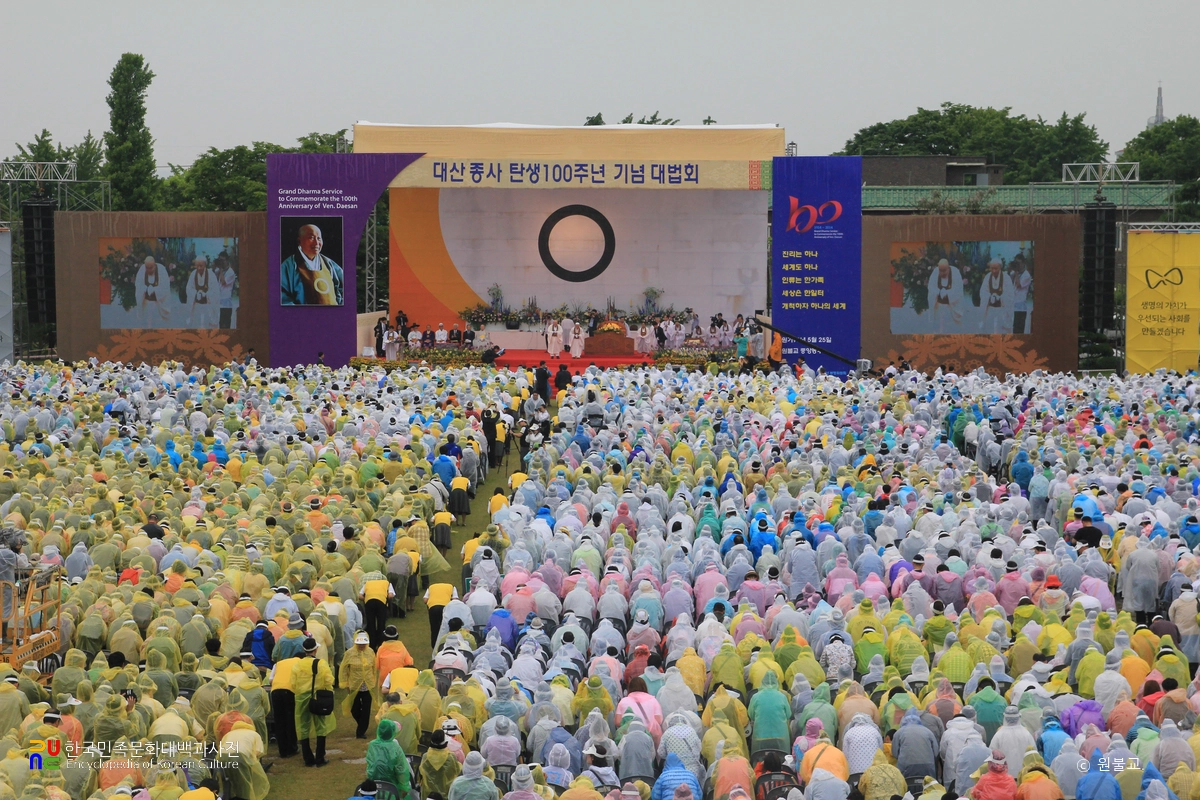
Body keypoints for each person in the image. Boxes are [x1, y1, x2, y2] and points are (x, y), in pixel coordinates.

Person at [293, 636, 335, 766]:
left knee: (303, 727)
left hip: (301, 698)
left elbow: (293, 683)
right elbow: (329, 680)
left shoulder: (297, 664)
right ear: (315, 650)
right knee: (321, 727)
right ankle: (320, 757)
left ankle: (308, 758)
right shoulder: (321, 663)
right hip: (317, 697)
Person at [281, 223, 344, 306]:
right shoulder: (288, 266)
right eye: (311, 237)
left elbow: (344, 287)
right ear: (299, 241)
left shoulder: (329, 263)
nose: (316, 242)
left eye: (319, 238)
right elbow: (282, 297)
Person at [340, 630, 378, 739]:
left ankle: (361, 731)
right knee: (354, 708)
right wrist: (345, 683)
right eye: (359, 644)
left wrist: (373, 680)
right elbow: (343, 669)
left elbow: (374, 667)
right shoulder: (349, 653)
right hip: (354, 685)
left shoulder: (370, 652)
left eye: (363, 644)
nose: (362, 646)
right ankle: (361, 724)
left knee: (366, 709)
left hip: (367, 685)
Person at [925, 257, 964, 333]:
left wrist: (947, 294)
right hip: (938, 307)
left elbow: (958, 290)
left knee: (951, 330)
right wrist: (938, 292)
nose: (942, 273)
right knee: (938, 329)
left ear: (948, 268)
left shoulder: (955, 272)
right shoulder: (935, 272)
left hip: (952, 308)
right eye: (941, 270)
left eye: (944, 271)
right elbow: (931, 287)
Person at [135, 254, 169, 327]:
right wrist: (145, 289)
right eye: (147, 267)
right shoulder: (142, 269)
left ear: (155, 265)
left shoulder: (161, 269)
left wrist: (155, 290)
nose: (149, 270)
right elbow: (138, 285)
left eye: (151, 268)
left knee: (157, 325)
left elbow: (165, 287)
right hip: (146, 304)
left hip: (158, 304)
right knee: (146, 325)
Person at [186, 256, 217, 328]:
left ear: (205, 265)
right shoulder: (193, 274)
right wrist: (195, 294)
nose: (199, 268)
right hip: (196, 306)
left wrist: (206, 295)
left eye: (201, 266)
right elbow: (189, 288)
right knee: (196, 326)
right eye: (197, 266)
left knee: (207, 327)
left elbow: (215, 291)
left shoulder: (211, 275)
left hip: (207, 306)